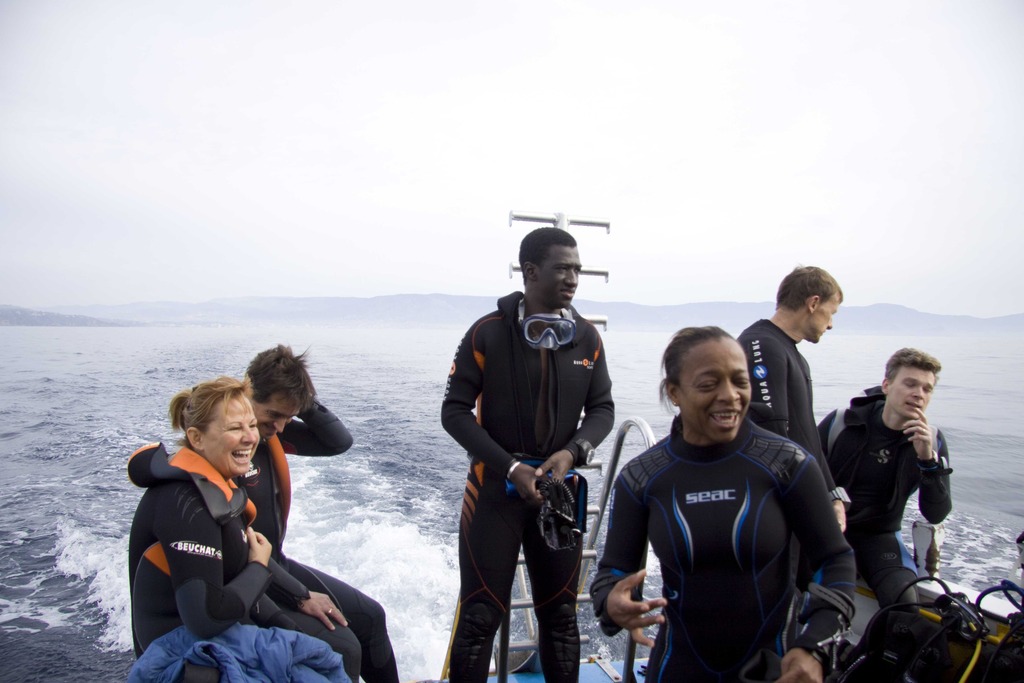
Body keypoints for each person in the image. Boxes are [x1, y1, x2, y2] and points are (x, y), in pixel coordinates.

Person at [592, 327, 856, 683]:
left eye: (740, 381)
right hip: (678, 668)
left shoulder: (787, 464)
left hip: (775, 668)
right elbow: (613, 572)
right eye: (708, 384)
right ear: (674, 392)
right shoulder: (642, 477)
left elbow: (835, 559)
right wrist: (612, 603)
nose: (730, 396)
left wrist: (815, 647)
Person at [441, 226, 615, 683]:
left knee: (561, 620)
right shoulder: (487, 333)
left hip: (557, 492)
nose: (573, 278)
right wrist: (512, 467)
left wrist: (572, 453)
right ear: (531, 271)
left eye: (578, 269)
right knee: (479, 618)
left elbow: (603, 409)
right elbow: (454, 412)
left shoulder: (587, 338)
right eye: (563, 268)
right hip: (494, 492)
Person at [241, 345, 399, 683]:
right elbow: (235, 544)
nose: (280, 427)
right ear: (248, 391)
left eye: (288, 417)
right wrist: (299, 596)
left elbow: (338, 442)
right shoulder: (229, 446)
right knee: (344, 647)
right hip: (246, 578)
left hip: (276, 564)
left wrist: (303, 400)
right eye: (273, 414)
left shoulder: (269, 432)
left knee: (371, 617)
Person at [127, 376, 275, 657]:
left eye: (252, 425)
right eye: (235, 428)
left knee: (334, 644)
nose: (251, 437)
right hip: (178, 662)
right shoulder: (185, 502)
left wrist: (293, 615)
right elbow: (206, 618)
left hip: (219, 642)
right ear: (197, 438)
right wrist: (258, 567)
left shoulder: (219, 486)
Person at [818, 348, 952, 607]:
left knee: (905, 604)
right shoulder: (842, 423)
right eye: (910, 384)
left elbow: (936, 514)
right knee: (824, 598)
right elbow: (801, 476)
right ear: (887, 385)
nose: (919, 394)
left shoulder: (931, 440)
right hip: (826, 528)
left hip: (880, 537)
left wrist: (927, 461)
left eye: (927, 389)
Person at [737, 265, 848, 528]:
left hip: (795, 495)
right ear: (813, 303)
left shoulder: (791, 353)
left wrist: (831, 493)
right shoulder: (762, 345)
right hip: (771, 505)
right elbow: (771, 433)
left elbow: (806, 433)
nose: (830, 324)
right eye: (831, 313)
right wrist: (810, 500)